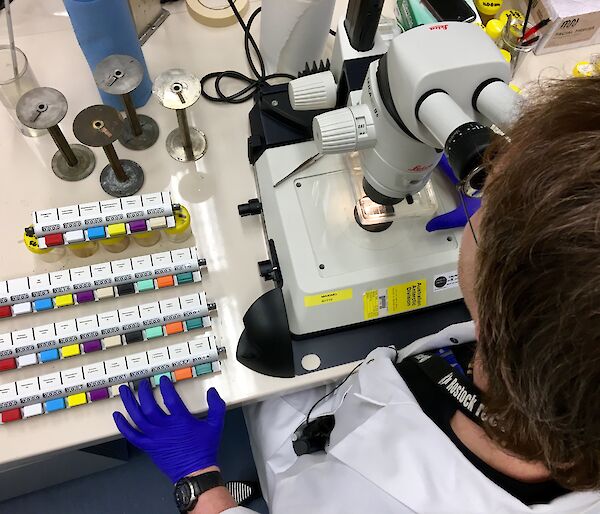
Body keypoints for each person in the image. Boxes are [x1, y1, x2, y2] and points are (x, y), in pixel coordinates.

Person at [113, 76, 600, 513]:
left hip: (310, 469)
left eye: (489, 206)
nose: (483, 198)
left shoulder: (370, 499)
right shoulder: (569, 346)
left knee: (264, 396)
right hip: (377, 391)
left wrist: (199, 486)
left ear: (505, 282)